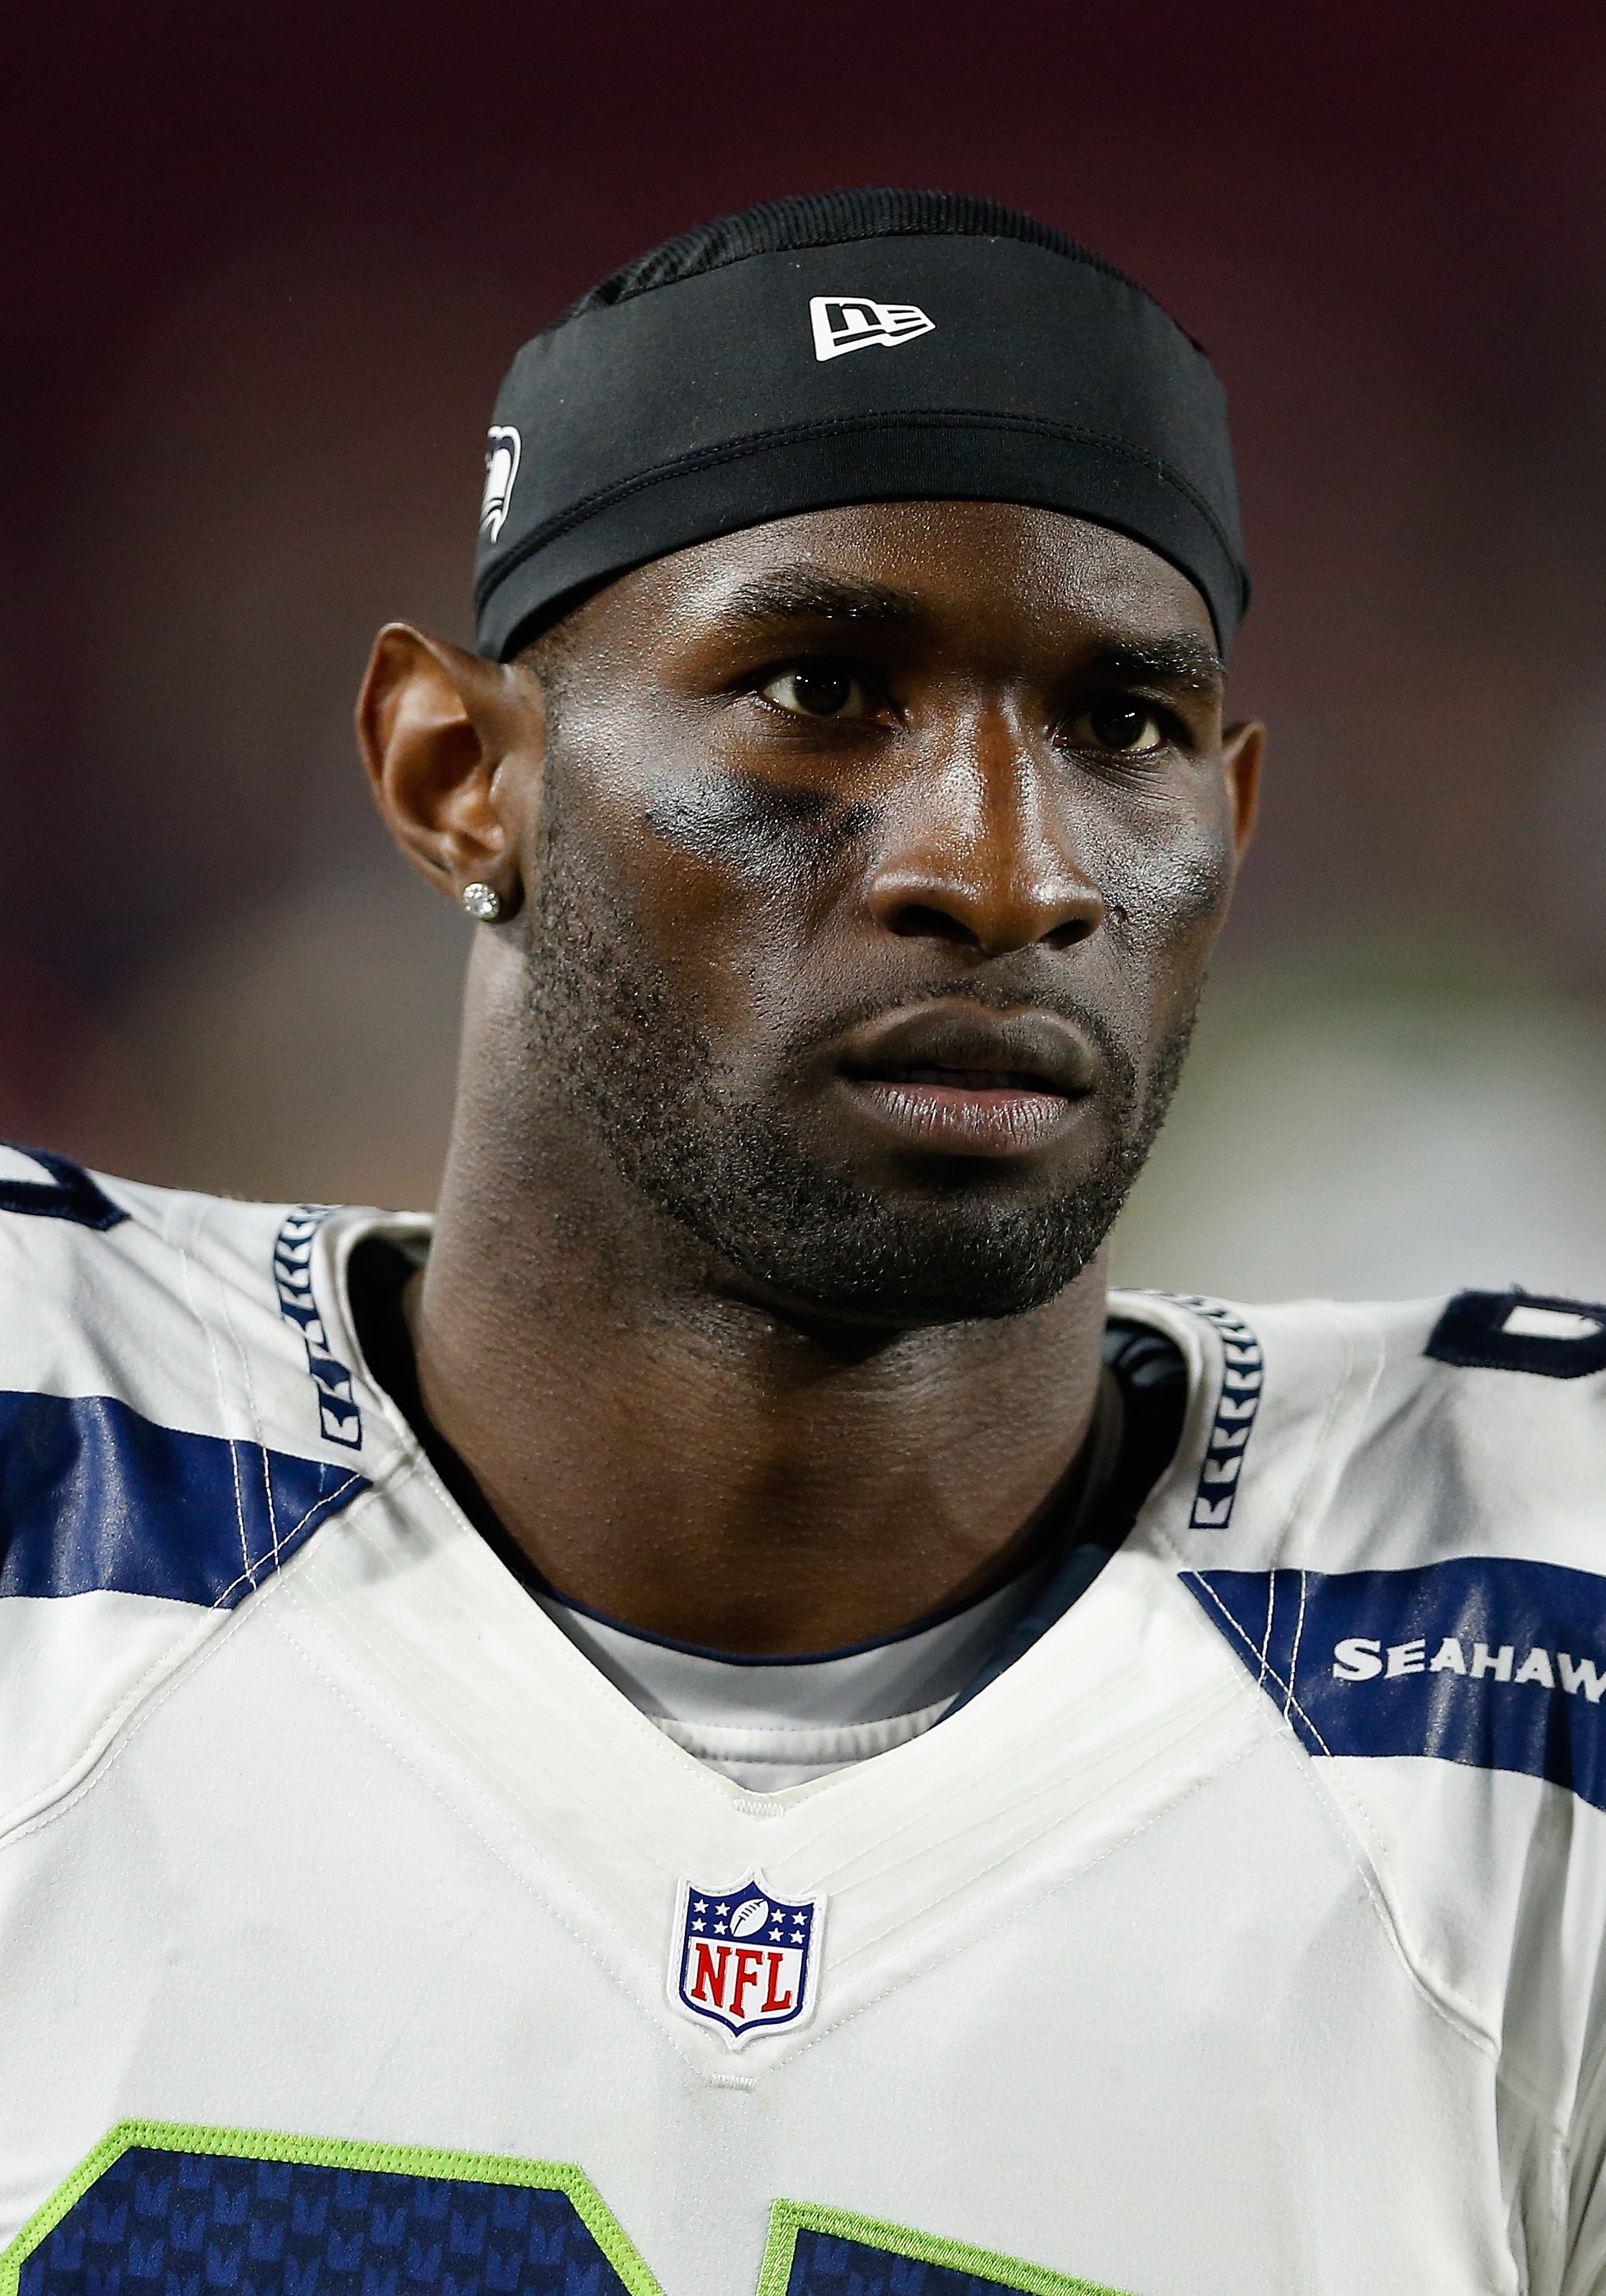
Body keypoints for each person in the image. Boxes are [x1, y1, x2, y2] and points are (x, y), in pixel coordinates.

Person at [1, 188, 1602, 2296]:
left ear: (1231, 821)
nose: (1005, 871)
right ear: (456, 774)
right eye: (820, 689)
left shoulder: (1527, 1650)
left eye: (1120, 728)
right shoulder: (53, 1488)